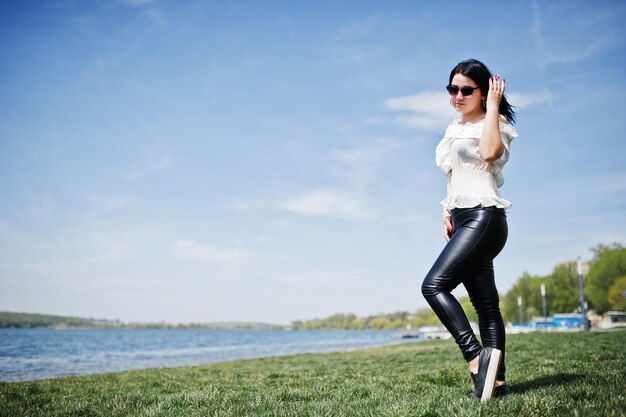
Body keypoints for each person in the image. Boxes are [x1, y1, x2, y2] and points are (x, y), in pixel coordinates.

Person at [421, 59, 518, 401]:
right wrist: (446, 210)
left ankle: (477, 358)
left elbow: (490, 153)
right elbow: (454, 175)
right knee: (486, 305)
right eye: (453, 89)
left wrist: (492, 108)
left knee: (433, 286)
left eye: (466, 90)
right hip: (463, 218)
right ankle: (497, 384)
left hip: (485, 216)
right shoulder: (454, 128)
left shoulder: (495, 121)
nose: (458, 95)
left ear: (483, 91)